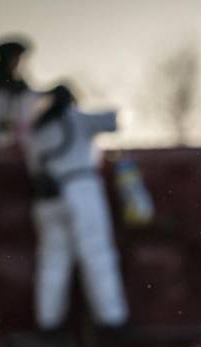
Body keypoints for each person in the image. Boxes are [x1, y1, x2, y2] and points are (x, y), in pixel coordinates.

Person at [25, 84, 129, 330]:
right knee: (97, 253)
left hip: (47, 198)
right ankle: (111, 318)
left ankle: (48, 321)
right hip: (80, 188)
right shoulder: (77, 118)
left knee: (53, 260)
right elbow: (116, 119)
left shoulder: (38, 129)